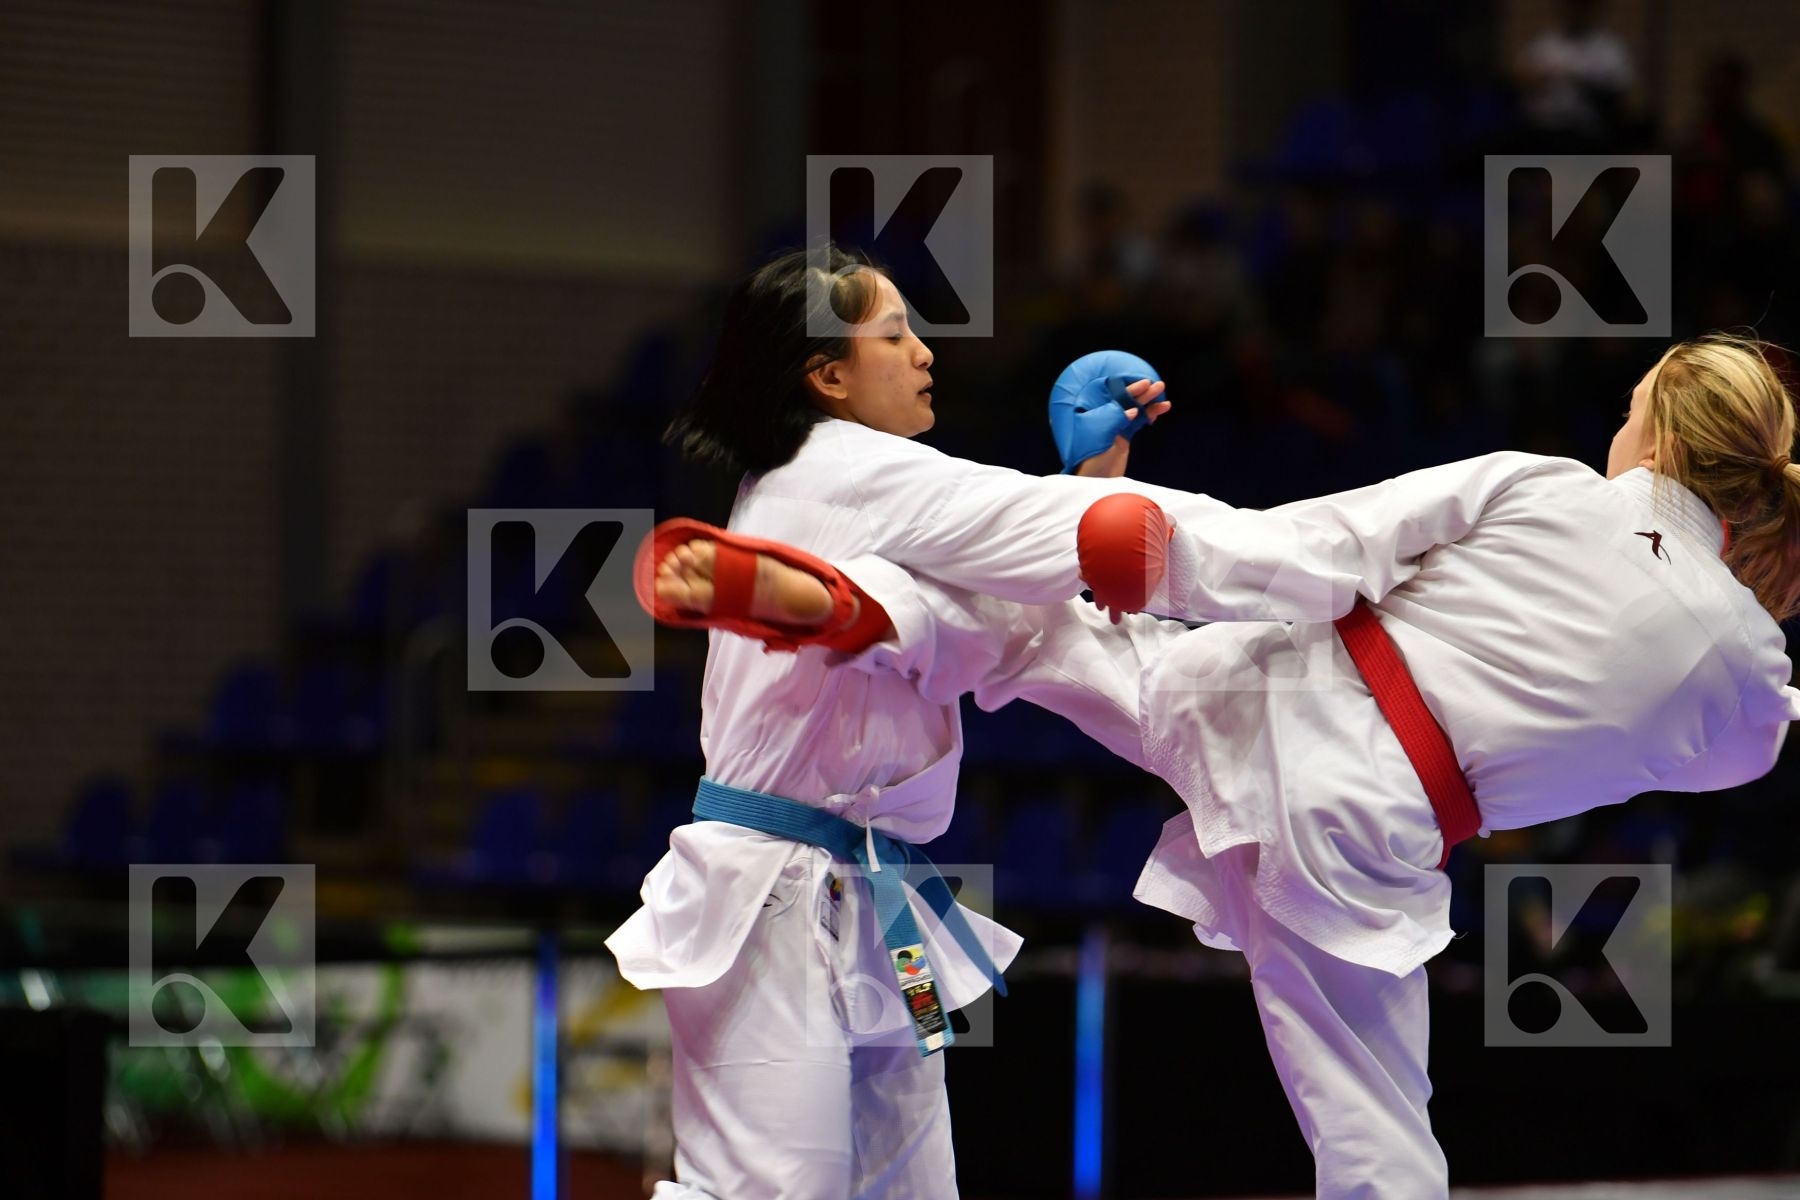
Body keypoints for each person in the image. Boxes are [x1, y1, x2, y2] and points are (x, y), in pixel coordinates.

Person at [644, 333, 1800, 1198]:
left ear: (1658, 437)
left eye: (1630, 407)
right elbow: (1713, 762)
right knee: (1378, 1119)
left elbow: (1318, 554)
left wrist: (1147, 544)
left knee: (1029, 621)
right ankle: (1069, 522)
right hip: (1388, 839)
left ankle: (846, 598)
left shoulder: (1548, 490)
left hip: (1282, 703)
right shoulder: (1751, 693)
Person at [606, 242, 1194, 1200]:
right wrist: (1106, 504)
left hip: (874, 892)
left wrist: (1092, 481)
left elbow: (1018, 589)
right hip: (770, 897)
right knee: (767, 1193)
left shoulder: (860, 490)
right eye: (894, 334)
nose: (925, 352)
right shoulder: (850, 466)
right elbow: (1049, 546)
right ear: (828, 377)